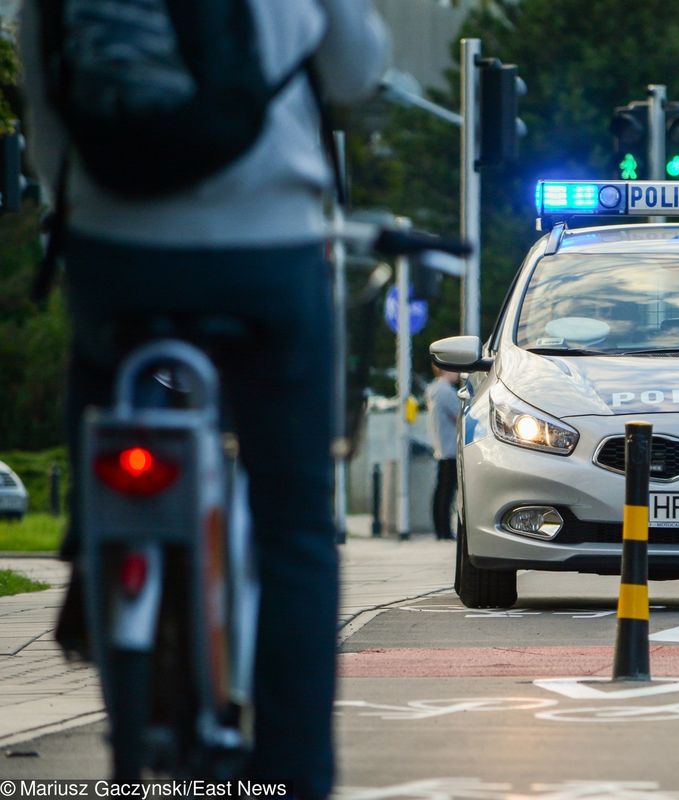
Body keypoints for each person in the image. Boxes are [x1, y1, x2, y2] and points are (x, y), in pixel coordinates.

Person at [19, 2, 390, 797]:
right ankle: (293, 778)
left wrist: (86, 213)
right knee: (294, 526)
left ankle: (101, 548)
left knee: (102, 422)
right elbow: (359, 71)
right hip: (267, 253)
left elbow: (45, 108)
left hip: (113, 260)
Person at [425, 366, 460, 540]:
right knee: (447, 491)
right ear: (446, 370)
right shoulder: (445, 392)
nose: (458, 373)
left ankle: (441, 530)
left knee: (441, 490)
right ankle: (444, 531)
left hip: (441, 447)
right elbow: (460, 416)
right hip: (450, 448)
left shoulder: (433, 390)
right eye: (455, 370)